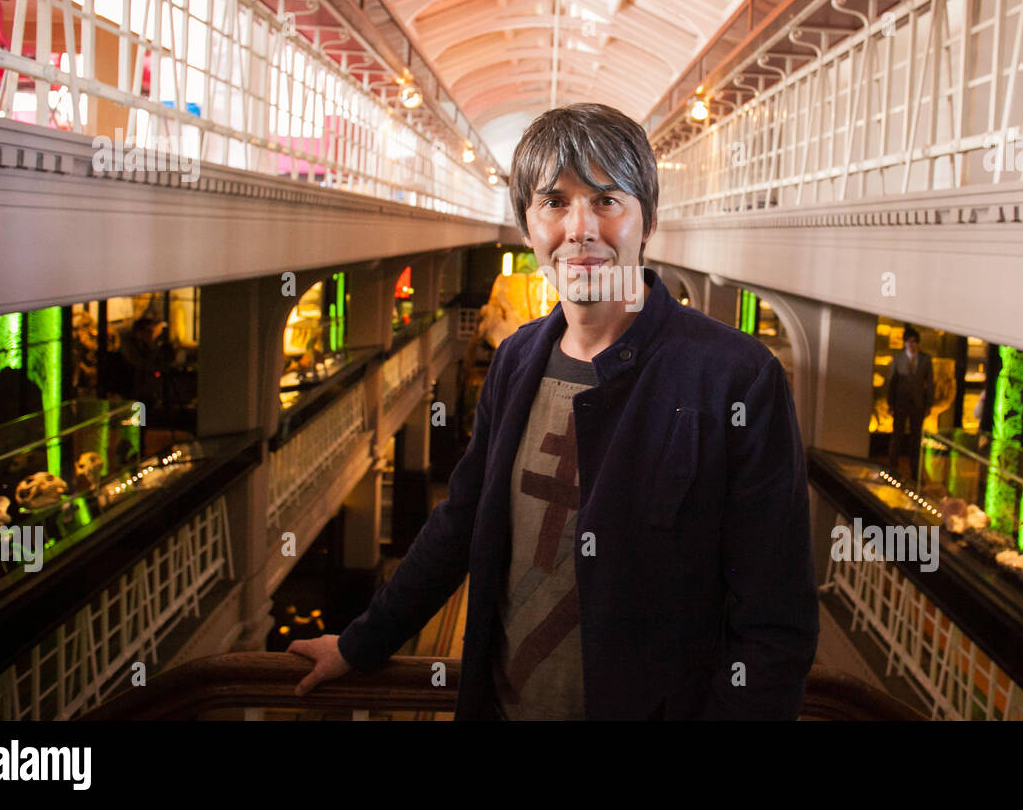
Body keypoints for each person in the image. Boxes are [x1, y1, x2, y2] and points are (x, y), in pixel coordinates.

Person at [288, 103, 817, 720]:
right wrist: (361, 642)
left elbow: (774, 621)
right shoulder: (516, 361)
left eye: (607, 199)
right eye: (555, 202)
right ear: (528, 225)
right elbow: (460, 520)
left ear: (647, 219)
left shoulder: (736, 378)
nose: (581, 228)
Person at [887, 327, 934, 482]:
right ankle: (892, 467)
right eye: (909, 342)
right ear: (905, 343)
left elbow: (929, 383)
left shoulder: (926, 359)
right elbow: (892, 382)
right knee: (897, 435)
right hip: (901, 402)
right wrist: (890, 402)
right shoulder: (898, 358)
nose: (911, 345)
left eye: (914, 342)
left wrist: (928, 404)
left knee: (916, 438)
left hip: (917, 403)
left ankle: (915, 472)